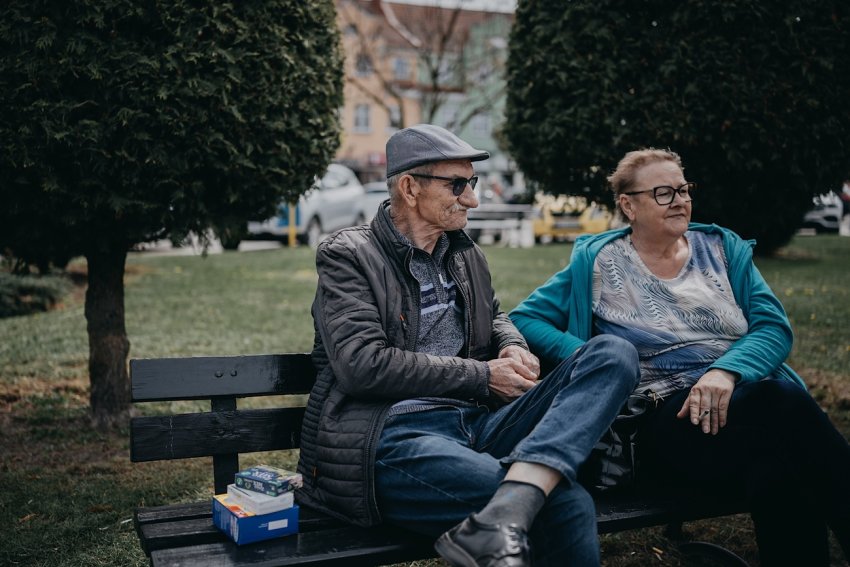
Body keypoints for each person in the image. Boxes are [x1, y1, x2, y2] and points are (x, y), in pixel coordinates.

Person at [295, 124, 640, 567]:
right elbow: (362, 365)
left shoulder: (464, 253)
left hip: (478, 426)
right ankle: (519, 498)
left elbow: (493, 315)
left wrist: (511, 344)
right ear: (410, 188)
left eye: (472, 182)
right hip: (393, 436)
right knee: (565, 504)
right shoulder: (349, 255)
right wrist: (484, 376)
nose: (473, 199)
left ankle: (517, 494)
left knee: (613, 354)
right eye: (457, 185)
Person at [510, 148, 850, 566]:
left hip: (741, 402)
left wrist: (725, 372)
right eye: (663, 193)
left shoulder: (722, 249)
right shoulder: (600, 262)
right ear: (628, 205)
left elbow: (773, 327)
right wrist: (593, 356)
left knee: (778, 467)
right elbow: (526, 318)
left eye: (683, 189)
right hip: (662, 420)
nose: (679, 201)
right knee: (783, 403)